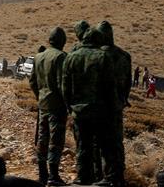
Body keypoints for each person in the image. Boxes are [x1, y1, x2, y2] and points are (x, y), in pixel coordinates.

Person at [61, 28, 118, 186]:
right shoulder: (103, 57)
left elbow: (65, 87)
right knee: (105, 145)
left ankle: (82, 177)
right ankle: (108, 177)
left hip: (79, 111)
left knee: (82, 145)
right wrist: (112, 108)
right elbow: (110, 86)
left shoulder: (71, 57)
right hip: (100, 110)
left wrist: (69, 107)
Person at [29, 27, 68, 186]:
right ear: (62, 42)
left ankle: (42, 175)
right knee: (55, 140)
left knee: (42, 139)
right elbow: (62, 84)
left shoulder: (38, 57)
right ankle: (53, 175)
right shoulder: (61, 57)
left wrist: (40, 97)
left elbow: (32, 81)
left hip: (43, 104)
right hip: (56, 105)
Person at [97, 21, 132, 187]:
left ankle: (104, 176)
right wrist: (122, 99)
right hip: (117, 106)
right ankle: (118, 176)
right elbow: (128, 84)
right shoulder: (124, 56)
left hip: (100, 106)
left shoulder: (97, 55)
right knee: (117, 141)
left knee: (101, 142)